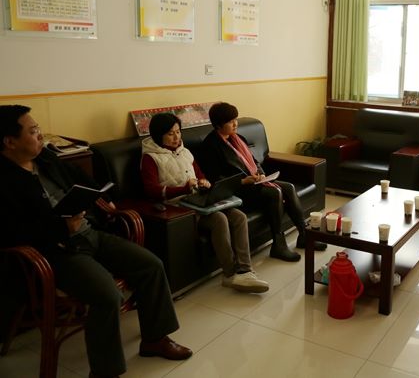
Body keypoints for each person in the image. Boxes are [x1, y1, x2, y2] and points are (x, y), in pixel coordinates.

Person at [0, 105, 192, 378]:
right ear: (9, 142)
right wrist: (60, 228)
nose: (40, 135)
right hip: (55, 252)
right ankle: (105, 371)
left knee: (151, 265)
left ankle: (155, 339)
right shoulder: (3, 181)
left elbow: (82, 179)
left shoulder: (45, 158)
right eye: (33, 131)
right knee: (106, 295)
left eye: (39, 128)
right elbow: (11, 233)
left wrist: (101, 197)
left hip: (89, 233)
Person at [140, 112, 269, 293]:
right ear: (158, 135)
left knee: (238, 216)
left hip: (198, 200)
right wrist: (184, 188)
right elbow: (151, 190)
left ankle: (245, 270)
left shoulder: (185, 152)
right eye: (170, 134)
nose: (176, 137)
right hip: (177, 207)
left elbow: (200, 174)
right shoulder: (150, 158)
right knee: (219, 219)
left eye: (178, 132)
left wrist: (203, 182)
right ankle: (230, 274)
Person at [197, 102, 326, 263]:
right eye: (230, 121)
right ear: (218, 124)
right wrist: (244, 181)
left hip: (254, 183)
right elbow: (216, 180)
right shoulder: (210, 146)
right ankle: (278, 244)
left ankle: (304, 235)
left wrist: (261, 174)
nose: (235, 124)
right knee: (275, 192)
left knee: (288, 187)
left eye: (236, 119)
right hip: (237, 190)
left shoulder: (238, 138)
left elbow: (254, 162)